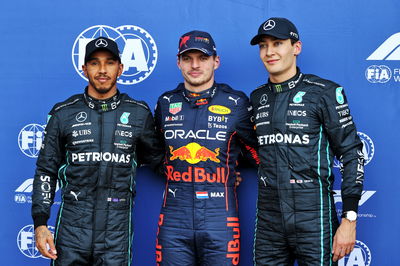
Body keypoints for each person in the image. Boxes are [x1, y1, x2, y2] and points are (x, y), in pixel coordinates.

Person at [31, 37, 162, 265]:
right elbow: (46, 170)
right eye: (94, 63)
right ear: (84, 69)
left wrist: (218, 168)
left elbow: (160, 161)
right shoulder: (63, 113)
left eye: (110, 62)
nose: (102, 70)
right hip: (72, 227)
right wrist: (40, 224)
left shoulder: (139, 114)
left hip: (116, 230)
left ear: (120, 68)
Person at [249, 17, 365, 265]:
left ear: (296, 47)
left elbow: (352, 153)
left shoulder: (323, 92)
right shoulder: (257, 98)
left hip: (314, 218)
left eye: (278, 43)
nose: (269, 52)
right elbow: (252, 149)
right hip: (269, 221)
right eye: (263, 45)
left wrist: (349, 219)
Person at [154, 30, 259, 265]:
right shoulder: (165, 103)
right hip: (174, 218)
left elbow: (256, 152)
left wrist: (227, 169)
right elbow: (155, 153)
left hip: (220, 218)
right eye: (187, 58)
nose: (195, 65)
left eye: (202, 58)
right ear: (178, 62)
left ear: (215, 61)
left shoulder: (236, 103)